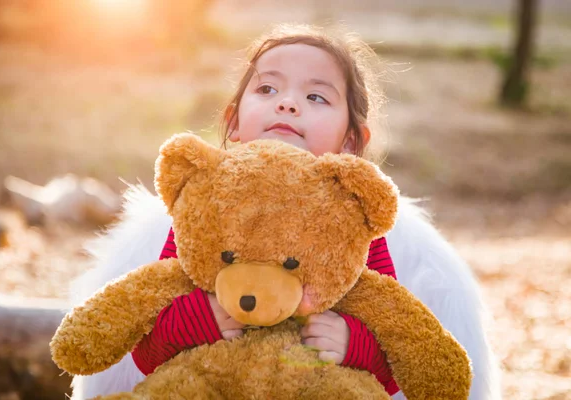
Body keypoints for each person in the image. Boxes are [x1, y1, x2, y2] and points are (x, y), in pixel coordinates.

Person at [69, 24, 501, 400]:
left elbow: (391, 343)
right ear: (234, 122)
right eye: (267, 89)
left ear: (351, 142)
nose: (287, 104)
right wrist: (200, 320)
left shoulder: (358, 231)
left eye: (316, 96)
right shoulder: (202, 215)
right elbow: (147, 352)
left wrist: (354, 344)